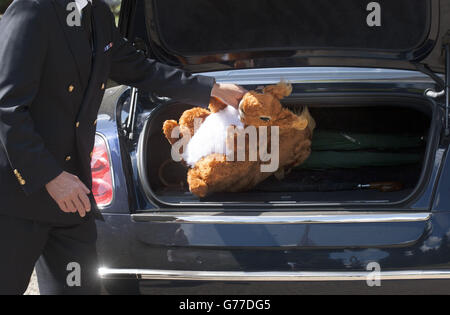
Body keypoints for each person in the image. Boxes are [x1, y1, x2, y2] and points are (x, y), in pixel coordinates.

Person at [0, 0, 246, 295]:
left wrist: (210, 90)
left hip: (72, 194)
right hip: (17, 196)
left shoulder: (99, 14)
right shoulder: (33, 10)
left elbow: (140, 68)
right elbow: (7, 108)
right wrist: (51, 177)